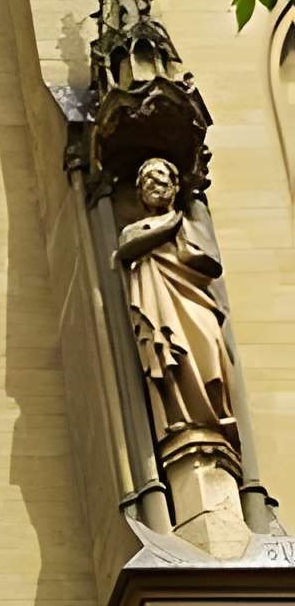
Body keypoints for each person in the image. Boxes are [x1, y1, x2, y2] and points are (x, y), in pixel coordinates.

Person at [116, 155, 238, 449]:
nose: (154, 184)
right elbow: (126, 249)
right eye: (147, 181)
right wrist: (172, 226)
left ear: (174, 185)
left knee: (209, 348)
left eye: (160, 178)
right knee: (168, 354)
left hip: (194, 299)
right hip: (158, 302)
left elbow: (209, 262)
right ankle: (178, 418)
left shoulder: (191, 224)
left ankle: (216, 421)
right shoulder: (136, 230)